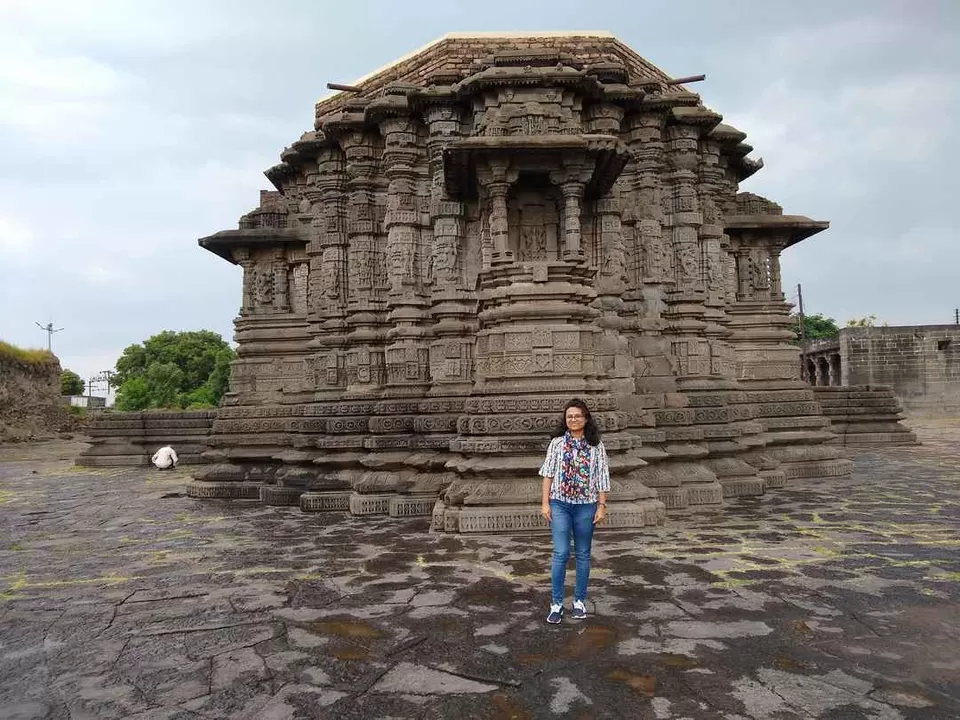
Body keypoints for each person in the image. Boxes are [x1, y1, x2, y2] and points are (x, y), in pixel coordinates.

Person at [539, 398, 610, 624]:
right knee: (560, 553)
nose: (573, 419)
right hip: (560, 503)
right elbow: (548, 474)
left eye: (577, 416)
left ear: (586, 419)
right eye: (569, 416)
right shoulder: (557, 443)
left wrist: (601, 506)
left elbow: (602, 477)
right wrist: (545, 503)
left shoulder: (596, 445)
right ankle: (556, 604)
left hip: (586, 505)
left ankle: (579, 601)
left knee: (582, 554)